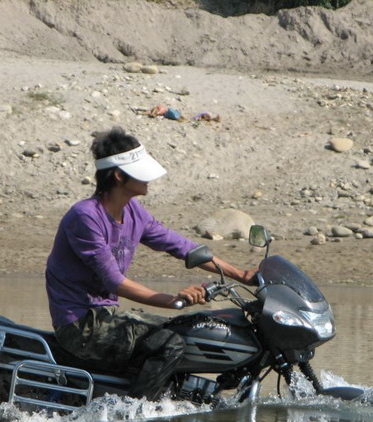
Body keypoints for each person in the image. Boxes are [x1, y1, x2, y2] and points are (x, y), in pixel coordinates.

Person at [45, 127, 257, 400]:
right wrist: (174, 301)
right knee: (169, 345)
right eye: (140, 172)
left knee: (192, 329)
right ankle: (134, 412)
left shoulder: (133, 211)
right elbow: (114, 281)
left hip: (107, 316)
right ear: (119, 176)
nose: (150, 180)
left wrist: (241, 274)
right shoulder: (85, 217)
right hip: (81, 325)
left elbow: (181, 247)